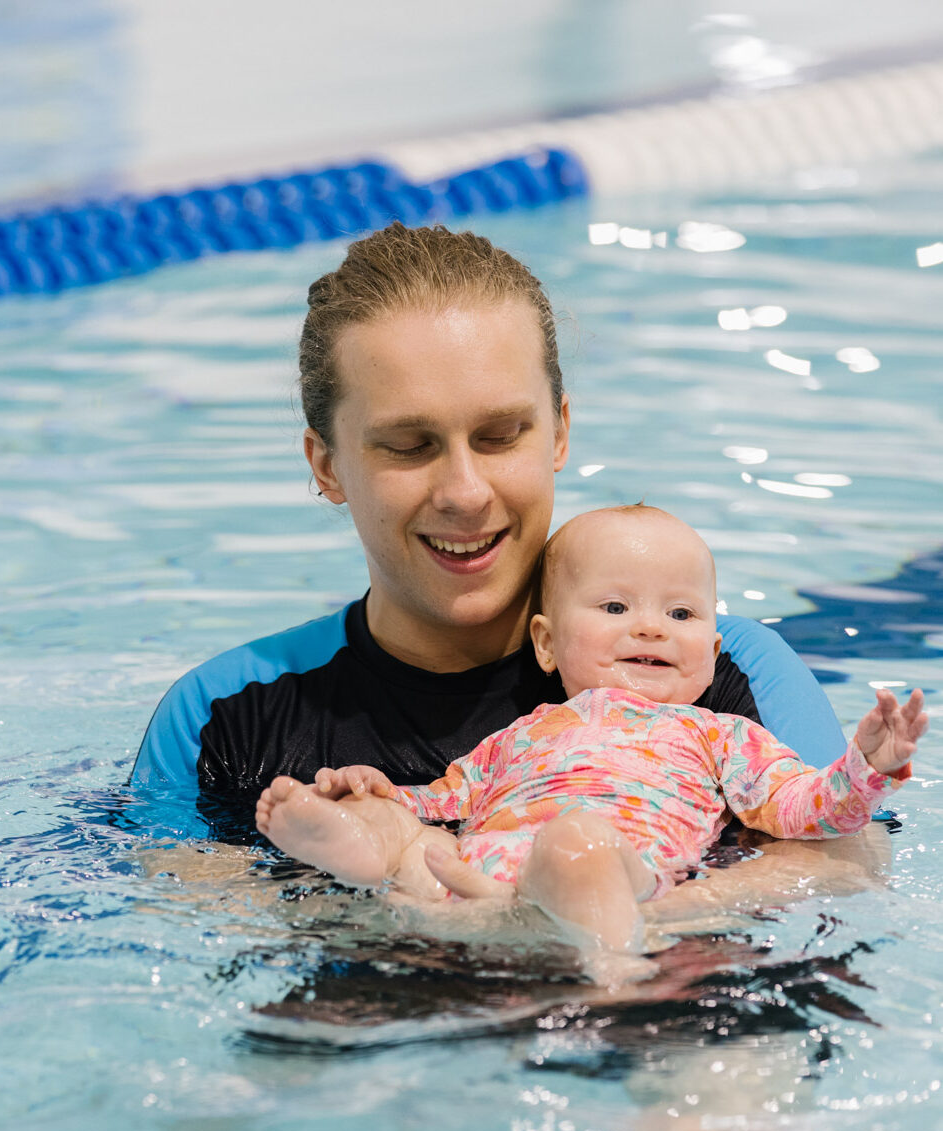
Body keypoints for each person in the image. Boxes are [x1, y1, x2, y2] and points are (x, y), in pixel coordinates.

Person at [130, 223, 846, 844]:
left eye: (500, 435)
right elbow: (178, 932)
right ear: (328, 466)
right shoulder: (227, 719)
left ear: (559, 433)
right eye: (408, 446)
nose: (465, 493)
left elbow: (838, 874)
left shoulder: (710, 671)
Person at [254, 506, 926, 966]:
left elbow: (805, 810)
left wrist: (863, 765)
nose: (651, 627)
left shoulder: (721, 735)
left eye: (681, 613)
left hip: (605, 866)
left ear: (713, 649)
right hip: (471, 872)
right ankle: (355, 844)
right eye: (614, 607)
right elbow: (448, 796)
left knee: (576, 842)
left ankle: (612, 973)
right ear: (546, 643)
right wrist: (382, 796)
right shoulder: (523, 732)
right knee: (410, 836)